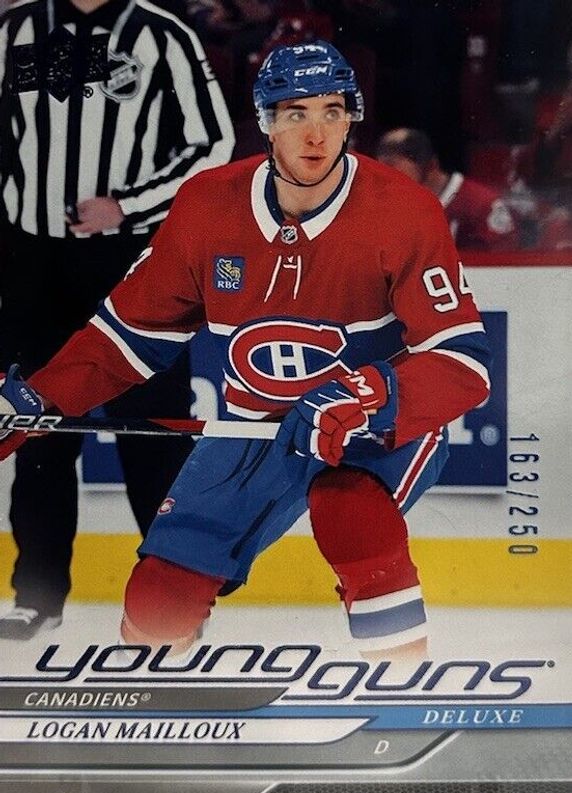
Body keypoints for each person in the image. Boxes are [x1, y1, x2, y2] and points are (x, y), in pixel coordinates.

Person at [0, 41, 490, 660]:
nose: (316, 134)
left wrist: (368, 395)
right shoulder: (208, 205)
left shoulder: (402, 210)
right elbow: (126, 338)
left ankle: (398, 678)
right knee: (159, 598)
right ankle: (145, 688)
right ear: (266, 122)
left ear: (351, 118)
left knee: (350, 510)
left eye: (332, 112)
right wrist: (40, 398)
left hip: (370, 423)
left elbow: (463, 360)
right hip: (253, 425)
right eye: (296, 114)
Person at [0, 0, 235, 640]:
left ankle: (171, 600)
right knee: (38, 428)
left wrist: (128, 205)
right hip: (33, 265)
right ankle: (37, 594)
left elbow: (213, 144)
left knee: (152, 433)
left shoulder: (160, 34)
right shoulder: (15, 30)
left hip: (132, 261)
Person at [377, 127, 519, 251]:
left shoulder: (480, 204)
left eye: (396, 173)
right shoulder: (386, 205)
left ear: (431, 166)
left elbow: (505, 262)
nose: (389, 182)